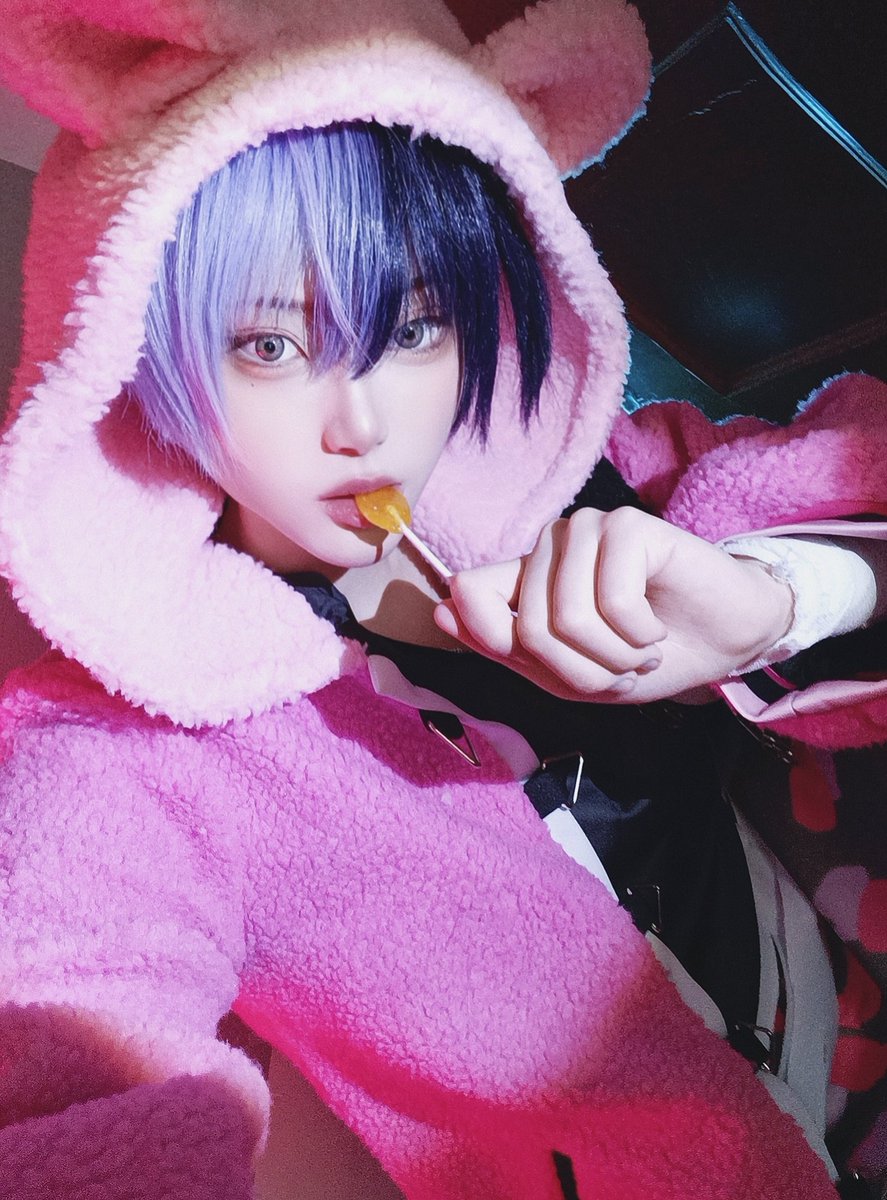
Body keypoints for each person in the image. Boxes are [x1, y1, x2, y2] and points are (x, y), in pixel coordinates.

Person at [1, 1, 887, 1197]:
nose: (363, 423)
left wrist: (777, 598)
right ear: (144, 352)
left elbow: (859, 458)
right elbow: (66, 1070)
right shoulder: (124, 750)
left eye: (413, 326)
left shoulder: (605, 485)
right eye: (269, 346)